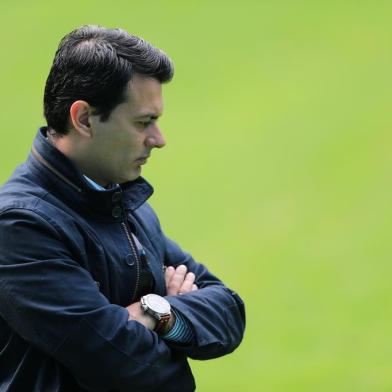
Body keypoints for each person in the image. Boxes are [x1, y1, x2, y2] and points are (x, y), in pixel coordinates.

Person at [0, 25, 245, 392]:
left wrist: (155, 314)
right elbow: (125, 365)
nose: (159, 140)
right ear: (83, 119)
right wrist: (166, 305)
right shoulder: (19, 225)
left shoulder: (122, 198)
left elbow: (228, 312)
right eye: (143, 122)